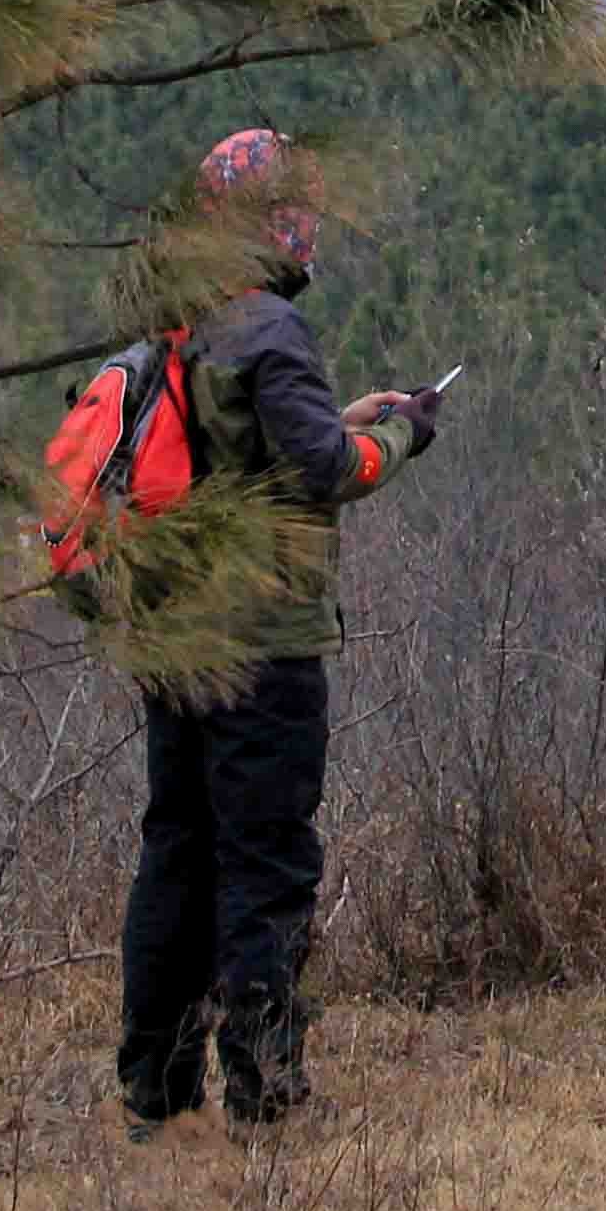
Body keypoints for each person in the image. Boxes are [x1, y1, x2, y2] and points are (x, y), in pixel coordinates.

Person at [118, 126, 435, 1135]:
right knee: (267, 860)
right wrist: (398, 433)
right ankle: (265, 1083)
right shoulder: (269, 331)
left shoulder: (182, 321)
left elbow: (232, 457)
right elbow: (327, 472)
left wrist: (331, 415)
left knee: (176, 851)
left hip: (178, 637)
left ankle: (156, 1088)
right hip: (264, 642)